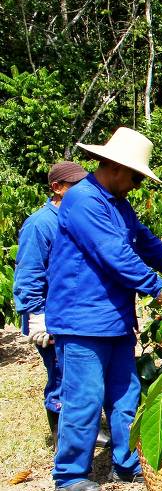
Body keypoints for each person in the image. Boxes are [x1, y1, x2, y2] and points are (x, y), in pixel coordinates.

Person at [46, 127, 162, 491]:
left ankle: (128, 462)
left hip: (115, 317)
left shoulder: (118, 204)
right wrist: (161, 291)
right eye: (136, 177)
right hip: (81, 319)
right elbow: (115, 254)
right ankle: (69, 473)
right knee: (85, 395)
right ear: (113, 166)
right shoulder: (83, 201)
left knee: (126, 393)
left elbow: (147, 245)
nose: (137, 185)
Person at [13, 161, 90, 444]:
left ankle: (81, 430)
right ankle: (62, 438)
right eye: (76, 186)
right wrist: (37, 314)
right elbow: (29, 273)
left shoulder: (78, 218)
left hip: (76, 315)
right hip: (51, 316)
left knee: (79, 376)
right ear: (57, 188)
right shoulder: (41, 223)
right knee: (61, 376)